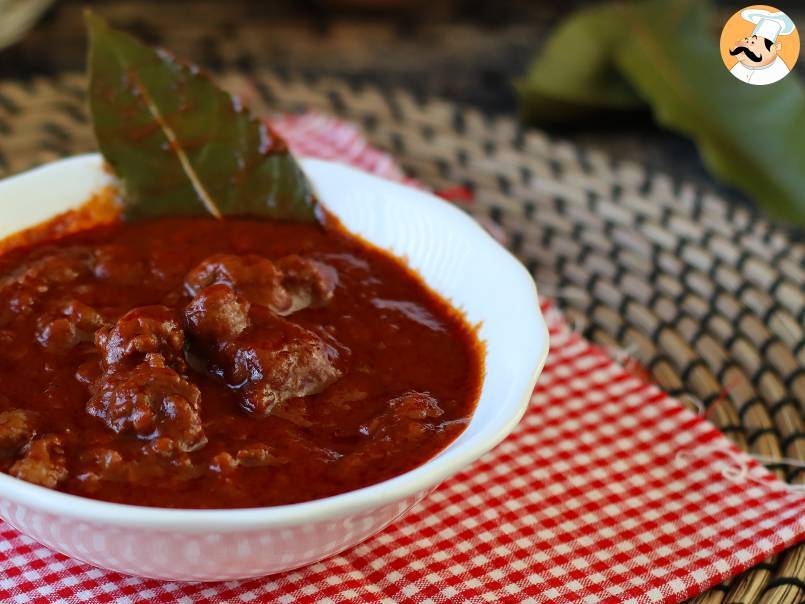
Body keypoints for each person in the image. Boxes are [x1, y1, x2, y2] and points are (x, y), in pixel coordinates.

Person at [728, 9, 795, 85]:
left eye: (753, 43)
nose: (746, 45)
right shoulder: (738, 67)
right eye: (746, 40)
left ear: (775, 47)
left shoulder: (779, 73)